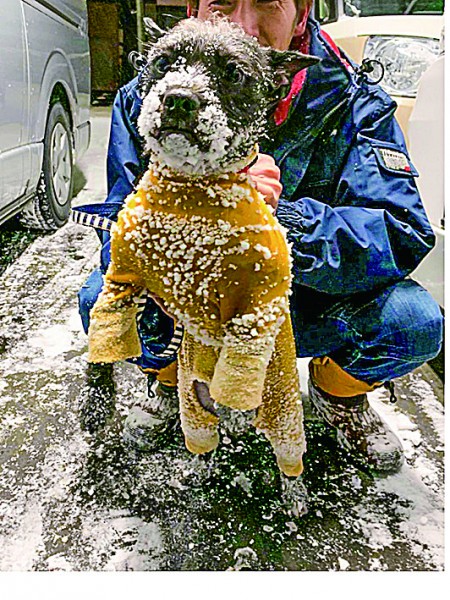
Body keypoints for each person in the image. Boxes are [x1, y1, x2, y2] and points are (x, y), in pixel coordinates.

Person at [78, 0, 443, 474]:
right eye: (222, 4)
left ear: (302, 10)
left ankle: (338, 394)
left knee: (413, 322)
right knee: (99, 298)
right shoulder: (148, 95)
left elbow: (401, 230)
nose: (244, 25)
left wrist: (270, 222)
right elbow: (122, 227)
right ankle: (175, 381)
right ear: (193, 8)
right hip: (191, 304)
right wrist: (196, 229)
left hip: (303, 302)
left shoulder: (353, 103)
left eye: (268, 4)